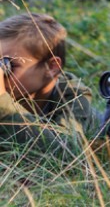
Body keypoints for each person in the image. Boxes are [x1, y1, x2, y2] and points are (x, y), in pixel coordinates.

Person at [0, 13, 98, 154]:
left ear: (51, 67)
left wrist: (2, 103)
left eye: (8, 65)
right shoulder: (14, 91)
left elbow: (68, 151)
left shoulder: (75, 95)